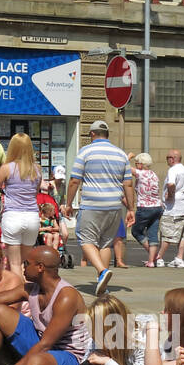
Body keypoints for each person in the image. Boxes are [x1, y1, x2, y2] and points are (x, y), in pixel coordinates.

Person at [62, 119, 134, 296]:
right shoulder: (121, 154)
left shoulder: (85, 152)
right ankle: (103, 283)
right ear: (107, 135)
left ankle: (102, 272)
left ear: (92, 134)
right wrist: (131, 209)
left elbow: (74, 180)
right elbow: (129, 184)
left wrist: (69, 204)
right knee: (105, 243)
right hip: (114, 206)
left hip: (92, 204)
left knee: (85, 240)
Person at [0, 132, 41, 275]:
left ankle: (17, 294)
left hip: (13, 216)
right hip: (32, 217)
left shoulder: (7, 168)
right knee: (24, 263)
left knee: (14, 264)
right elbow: (35, 192)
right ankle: (27, 293)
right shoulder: (37, 169)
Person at [155, 149, 184, 268]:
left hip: (174, 209)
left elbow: (171, 184)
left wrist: (171, 195)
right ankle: (179, 258)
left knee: (167, 234)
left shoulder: (173, 170)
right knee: (182, 234)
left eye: (167, 157)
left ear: (173, 158)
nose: (166, 160)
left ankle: (159, 258)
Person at [130, 152, 163, 267]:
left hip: (145, 207)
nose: (135, 165)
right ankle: (151, 261)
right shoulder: (154, 175)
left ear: (141, 164)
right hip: (158, 207)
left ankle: (154, 256)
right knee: (153, 233)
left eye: (136, 163)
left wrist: (128, 157)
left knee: (136, 231)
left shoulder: (141, 173)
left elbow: (125, 166)